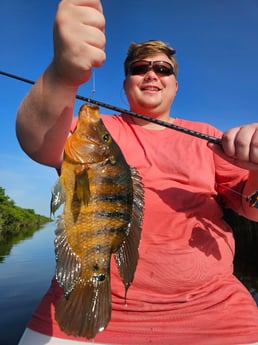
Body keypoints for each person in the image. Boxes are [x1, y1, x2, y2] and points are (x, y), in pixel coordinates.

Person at [16, 1, 258, 344]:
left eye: (163, 69)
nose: (152, 74)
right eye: (139, 67)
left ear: (176, 85)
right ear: (126, 81)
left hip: (216, 315)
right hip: (77, 305)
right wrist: (63, 74)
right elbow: (37, 141)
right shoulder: (97, 130)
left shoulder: (207, 136)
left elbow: (253, 207)